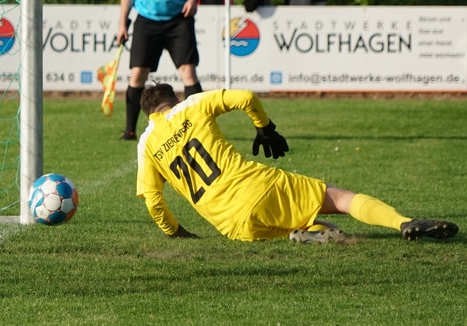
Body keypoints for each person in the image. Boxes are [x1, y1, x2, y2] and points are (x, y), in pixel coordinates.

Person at [135, 83, 459, 243]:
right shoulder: (191, 105)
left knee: (314, 227)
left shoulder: (146, 144)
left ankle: (309, 235)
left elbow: (153, 201)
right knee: (340, 199)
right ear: (174, 99)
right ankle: (403, 222)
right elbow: (246, 97)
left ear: (148, 114)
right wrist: (265, 128)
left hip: (232, 227)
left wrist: (177, 234)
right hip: (256, 187)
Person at [117, 0, 206, 141]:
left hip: (179, 19)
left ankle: (199, 125)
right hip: (147, 19)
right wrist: (122, 23)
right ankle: (129, 130)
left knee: (188, 71)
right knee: (137, 75)